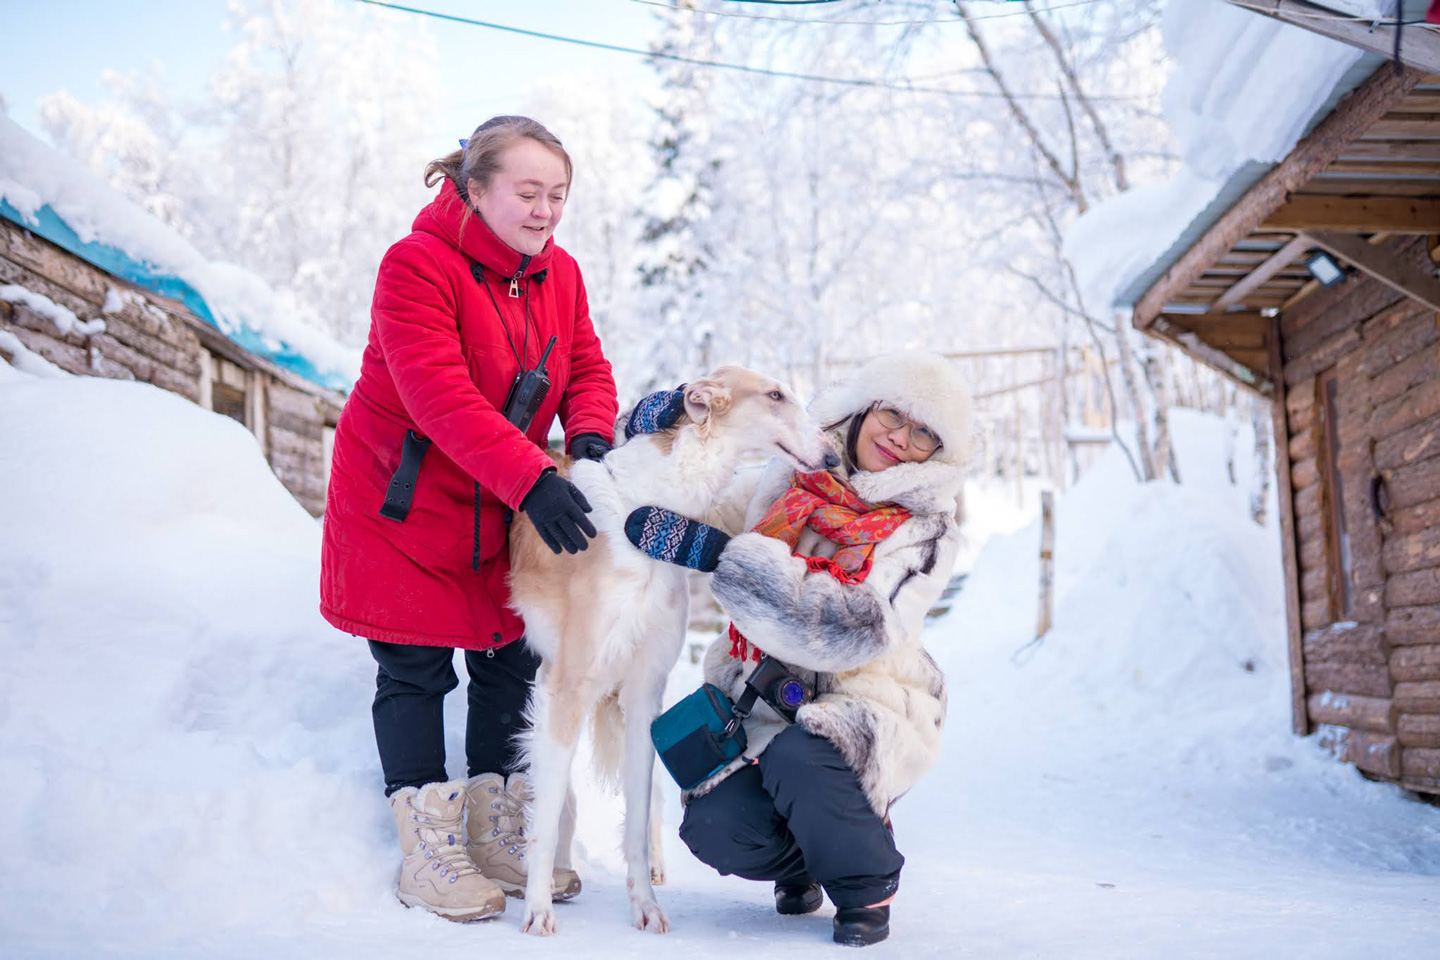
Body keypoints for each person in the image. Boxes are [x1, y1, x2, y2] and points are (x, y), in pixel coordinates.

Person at [319, 116, 618, 922]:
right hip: (405, 499)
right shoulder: (415, 265)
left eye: (558, 194)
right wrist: (535, 477)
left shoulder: (561, 275)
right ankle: (427, 847)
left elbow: (585, 365)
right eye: (528, 192)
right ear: (475, 189)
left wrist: (589, 438)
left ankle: (493, 826)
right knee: (414, 666)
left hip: (503, 497)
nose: (545, 211)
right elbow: (438, 395)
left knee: (507, 656)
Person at [624, 352, 970, 946]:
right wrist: (670, 416)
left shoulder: (925, 532)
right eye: (893, 414)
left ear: (936, 455)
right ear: (866, 408)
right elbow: (696, 499)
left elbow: (850, 627)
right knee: (714, 826)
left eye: (923, 434)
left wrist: (725, 557)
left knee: (803, 754)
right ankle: (808, 860)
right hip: (759, 699)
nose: (899, 437)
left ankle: (866, 883)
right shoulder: (791, 476)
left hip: (863, 703)